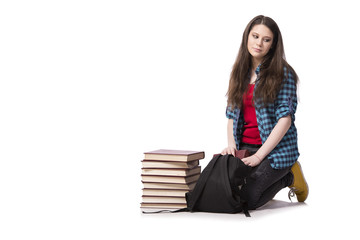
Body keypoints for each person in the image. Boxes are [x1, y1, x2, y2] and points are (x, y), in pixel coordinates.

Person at [221, 15, 308, 210]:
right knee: (228, 193)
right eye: (255, 36)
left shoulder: (283, 73)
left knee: (247, 200)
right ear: (247, 37)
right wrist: (231, 146)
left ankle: (290, 175)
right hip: (245, 146)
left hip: (274, 151)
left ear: (273, 44)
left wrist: (259, 157)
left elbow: (284, 120)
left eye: (266, 39)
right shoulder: (239, 70)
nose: (259, 43)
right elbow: (231, 113)